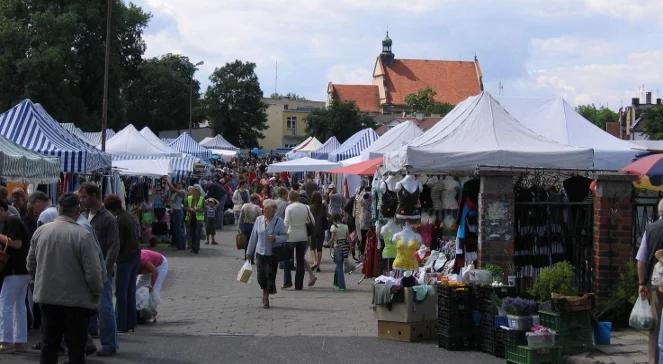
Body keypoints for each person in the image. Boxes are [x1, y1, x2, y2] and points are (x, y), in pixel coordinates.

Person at [27, 193, 104, 364]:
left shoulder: (41, 232)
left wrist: (39, 279)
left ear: (58, 210)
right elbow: (93, 271)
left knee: (49, 344)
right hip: (76, 301)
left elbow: (30, 264)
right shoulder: (82, 235)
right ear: (77, 211)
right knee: (76, 347)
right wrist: (96, 293)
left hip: (47, 297)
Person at [78, 183, 119, 357]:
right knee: (82, 308)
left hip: (101, 270)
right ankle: (86, 342)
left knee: (105, 308)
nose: (82, 200)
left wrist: (105, 270)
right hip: (84, 269)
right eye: (80, 197)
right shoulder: (82, 215)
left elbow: (113, 246)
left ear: (95, 195)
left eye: (84, 196)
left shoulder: (108, 218)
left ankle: (109, 344)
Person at [104, 195, 140, 334]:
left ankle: (121, 324)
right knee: (130, 291)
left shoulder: (118, 220)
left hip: (125, 258)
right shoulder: (130, 217)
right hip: (135, 255)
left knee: (121, 292)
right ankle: (131, 322)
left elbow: (118, 243)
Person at [246, 199, 288, 309]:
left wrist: (276, 238)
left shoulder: (279, 222)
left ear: (273, 210)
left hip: (272, 254)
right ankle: (264, 290)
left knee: (270, 277)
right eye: (263, 209)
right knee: (261, 278)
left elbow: (285, 236)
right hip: (260, 253)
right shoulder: (259, 220)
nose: (264, 211)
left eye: (266, 209)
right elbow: (253, 237)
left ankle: (266, 296)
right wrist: (249, 252)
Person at [0, 199, 30, 353]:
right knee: (19, 306)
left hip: (14, 270)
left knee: (5, 304)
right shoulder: (14, 220)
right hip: (22, 270)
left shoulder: (11, 220)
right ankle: (19, 340)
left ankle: (6, 340)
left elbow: (17, 243)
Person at [636, 198, 663, 363]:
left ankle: (652, 360)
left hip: (656, 284)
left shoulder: (650, 229)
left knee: (655, 324)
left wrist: (641, 283)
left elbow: (641, 259)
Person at [283, 191, 317, 290]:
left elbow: (286, 223)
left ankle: (287, 282)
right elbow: (313, 221)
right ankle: (299, 285)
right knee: (300, 260)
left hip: (291, 235)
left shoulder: (289, 207)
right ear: (298, 197)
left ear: (290, 198)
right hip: (303, 236)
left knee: (287, 259)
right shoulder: (305, 207)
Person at [329, 214, 349, 291]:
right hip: (344, 247)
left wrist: (329, 243)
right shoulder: (345, 226)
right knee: (338, 265)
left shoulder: (334, 227)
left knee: (339, 267)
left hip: (337, 247)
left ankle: (342, 286)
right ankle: (336, 282)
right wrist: (351, 248)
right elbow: (349, 238)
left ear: (334, 220)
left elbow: (333, 238)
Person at [165, 178, 187, 250]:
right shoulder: (175, 192)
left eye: (179, 183)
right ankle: (175, 243)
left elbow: (173, 188)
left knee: (179, 229)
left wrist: (168, 181)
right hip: (174, 211)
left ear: (182, 185)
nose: (178, 184)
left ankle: (181, 245)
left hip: (178, 211)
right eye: (177, 183)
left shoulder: (183, 191)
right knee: (174, 228)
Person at [308, 191, 327, 272]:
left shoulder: (310, 207)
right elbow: (326, 216)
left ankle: (314, 262)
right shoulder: (323, 207)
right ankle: (318, 266)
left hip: (312, 229)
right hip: (321, 229)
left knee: (312, 247)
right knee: (319, 248)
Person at [185, 185, 205, 254]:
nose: (195, 192)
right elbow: (185, 207)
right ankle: (193, 247)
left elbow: (205, 209)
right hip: (191, 217)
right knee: (192, 233)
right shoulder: (189, 198)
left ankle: (196, 248)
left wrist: (199, 209)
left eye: (196, 191)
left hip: (198, 219)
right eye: (194, 191)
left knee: (197, 233)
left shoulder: (202, 199)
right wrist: (190, 209)